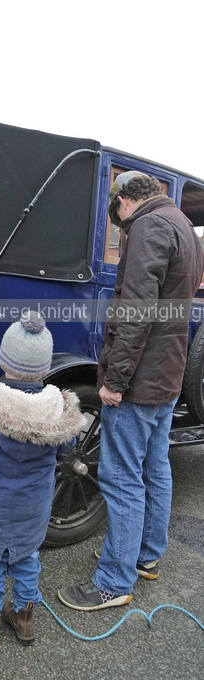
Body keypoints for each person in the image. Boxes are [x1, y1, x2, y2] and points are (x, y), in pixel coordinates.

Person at [58, 171, 204, 611]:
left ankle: (113, 582)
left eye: (116, 216)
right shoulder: (184, 226)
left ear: (123, 201)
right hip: (169, 375)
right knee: (155, 469)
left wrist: (115, 381)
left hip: (139, 380)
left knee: (121, 479)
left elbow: (136, 311)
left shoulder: (147, 226)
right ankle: (144, 557)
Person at [0, 312, 86, 651]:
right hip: (33, 505)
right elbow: (68, 445)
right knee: (27, 559)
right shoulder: (57, 407)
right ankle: (24, 618)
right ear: (45, 366)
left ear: (3, 361)